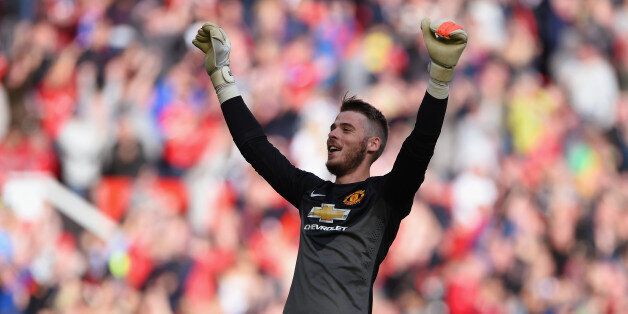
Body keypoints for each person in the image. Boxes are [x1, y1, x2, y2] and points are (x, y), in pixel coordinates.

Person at [192, 18, 467, 313]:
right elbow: (253, 146)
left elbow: (420, 144)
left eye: (347, 129)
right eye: (334, 127)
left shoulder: (385, 197)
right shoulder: (310, 192)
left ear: (373, 144)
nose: (334, 133)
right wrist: (221, 76)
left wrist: (439, 78)